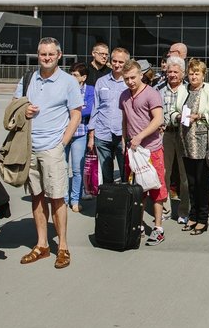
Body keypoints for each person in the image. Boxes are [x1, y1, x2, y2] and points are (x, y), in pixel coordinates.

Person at [15, 37, 82, 270]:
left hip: (53, 148)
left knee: (57, 198)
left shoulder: (68, 82)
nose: (46, 58)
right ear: (37, 54)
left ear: (59, 55)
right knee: (37, 196)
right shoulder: (27, 79)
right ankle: (42, 245)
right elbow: (14, 108)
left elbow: (76, 114)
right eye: (43, 54)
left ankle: (62, 247)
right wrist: (24, 109)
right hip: (29, 147)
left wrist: (62, 143)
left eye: (51, 54)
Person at [119, 59, 167, 245]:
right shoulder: (123, 95)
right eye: (126, 78)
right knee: (138, 191)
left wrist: (140, 136)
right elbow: (125, 120)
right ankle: (137, 225)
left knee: (157, 188)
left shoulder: (152, 94)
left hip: (152, 149)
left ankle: (158, 228)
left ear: (141, 75)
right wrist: (125, 140)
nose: (130, 81)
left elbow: (158, 120)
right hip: (133, 151)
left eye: (133, 77)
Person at [180, 59, 209, 235]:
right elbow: (176, 109)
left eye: (197, 73)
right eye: (191, 73)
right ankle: (193, 215)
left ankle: (203, 219)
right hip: (185, 141)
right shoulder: (184, 90)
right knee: (190, 182)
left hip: (202, 142)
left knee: (201, 182)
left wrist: (199, 116)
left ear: (203, 75)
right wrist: (177, 116)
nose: (193, 76)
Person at [88, 47, 130, 184]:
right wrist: (91, 135)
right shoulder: (101, 82)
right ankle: (108, 203)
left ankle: (124, 204)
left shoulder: (130, 83)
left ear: (126, 63)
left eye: (121, 62)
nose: (117, 65)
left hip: (122, 136)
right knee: (106, 177)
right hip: (102, 134)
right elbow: (95, 108)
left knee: (126, 175)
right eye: (114, 61)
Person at [159, 56, 189, 224]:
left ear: (183, 73)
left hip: (183, 135)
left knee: (184, 176)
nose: (172, 75)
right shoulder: (160, 90)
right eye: (169, 71)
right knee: (164, 173)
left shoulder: (188, 91)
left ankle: (184, 210)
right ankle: (165, 209)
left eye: (176, 72)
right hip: (166, 135)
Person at [66, 62, 95, 212]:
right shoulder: (64, 88)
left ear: (83, 77)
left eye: (75, 75)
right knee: (62, 168)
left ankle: (75, 200)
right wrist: (79, 109)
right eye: (70, 73)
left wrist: (71, 110)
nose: (71, 77)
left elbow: (89, 110)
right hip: (63, 133)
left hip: (80, 133)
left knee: (77, 169)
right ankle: (64, 199)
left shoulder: (90, 90)